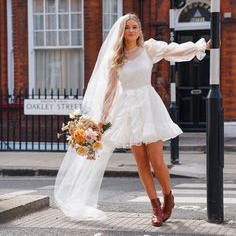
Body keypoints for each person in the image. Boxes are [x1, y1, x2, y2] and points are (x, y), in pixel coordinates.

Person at [54, 13, 211, 227]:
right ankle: (155, 207)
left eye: (134, 26)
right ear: (122, 31)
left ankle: (168, 197)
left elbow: (174, 50)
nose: (131, 30)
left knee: (157, 160)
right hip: (128, 111)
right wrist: (100, 120)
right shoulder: (116, 59)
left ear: (139, 30)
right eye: (127, 27)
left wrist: (201, 47)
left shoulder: (149, 49)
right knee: (141, 163)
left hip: (149, 107)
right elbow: (110, 92)